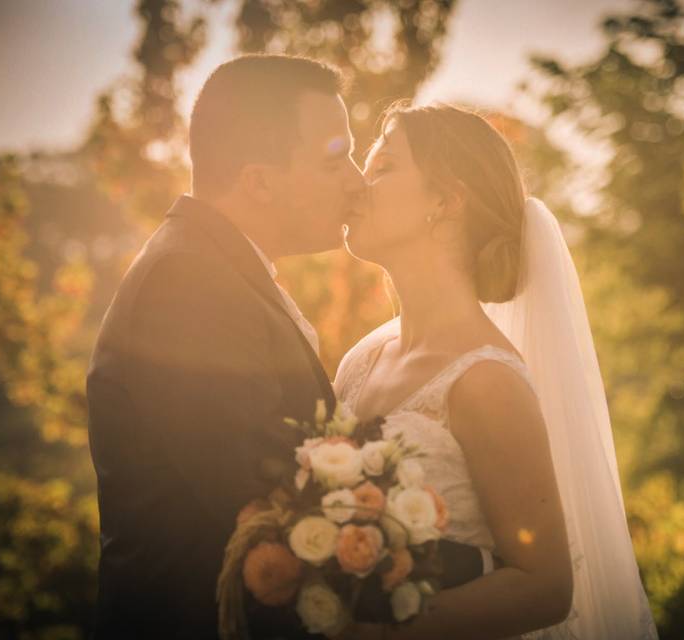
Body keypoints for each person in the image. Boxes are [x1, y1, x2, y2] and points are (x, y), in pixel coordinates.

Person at [86, 55, 489, 640]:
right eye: (335, 158)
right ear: (259, 181)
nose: (356, 179)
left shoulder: (216, 268)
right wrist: (480, 559)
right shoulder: (189, 284)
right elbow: (276, 503)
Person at [334, 102, 658, 639]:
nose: (356, 188)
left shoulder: (486, 380)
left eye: (383, 168)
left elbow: (546, 587)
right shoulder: (358, 361)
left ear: (445, 200)